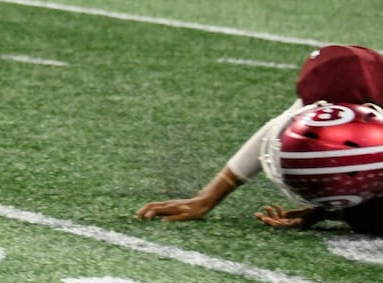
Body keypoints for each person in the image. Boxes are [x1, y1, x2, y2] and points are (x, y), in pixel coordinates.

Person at [136, 45, 383, 236]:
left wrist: (338, 211)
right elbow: (276, 129)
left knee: (368, 220)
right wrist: (207, 198)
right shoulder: (344, 90)